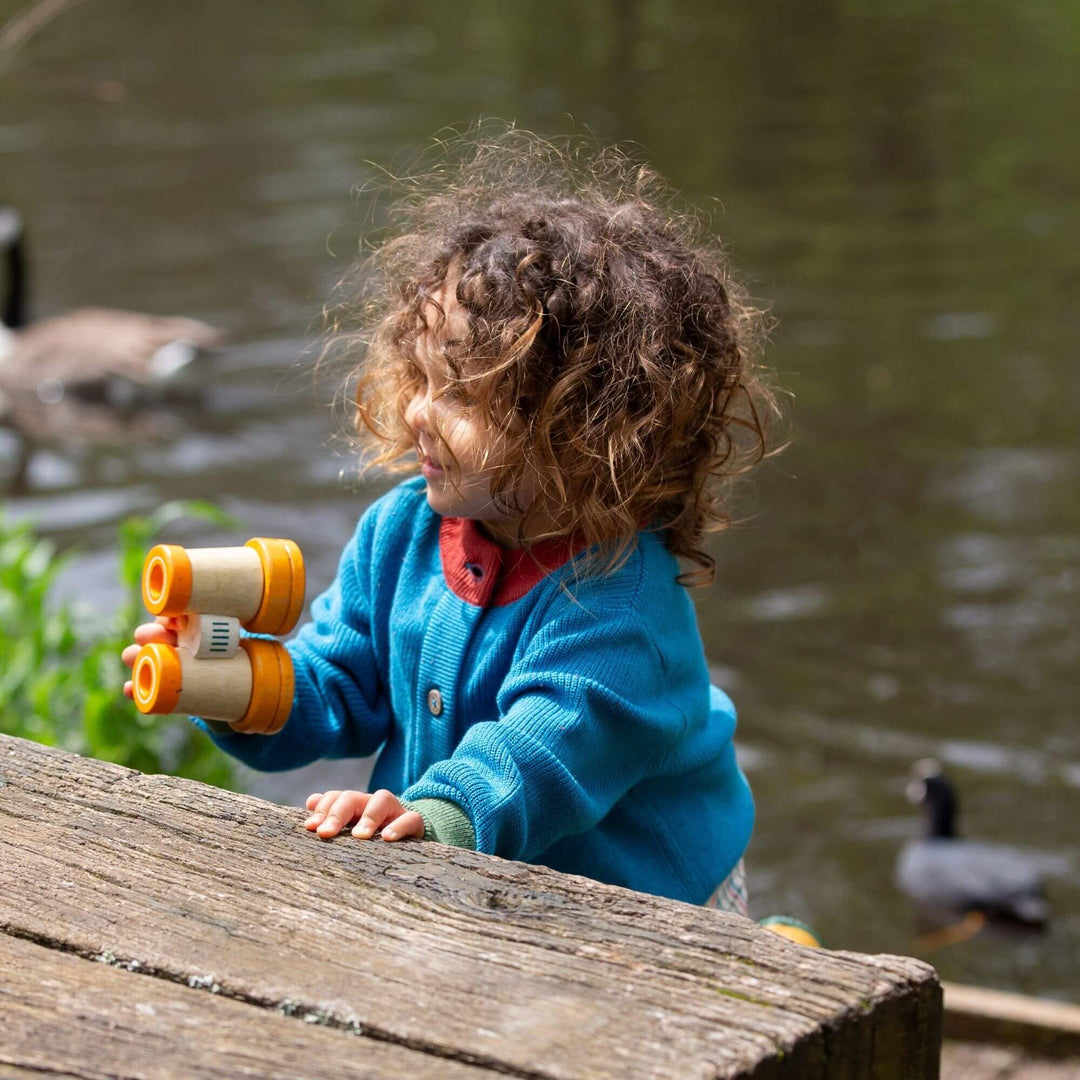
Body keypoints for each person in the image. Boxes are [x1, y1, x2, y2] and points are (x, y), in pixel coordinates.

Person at [123, 130, 778, 913]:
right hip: (472, 878)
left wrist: (431, 816)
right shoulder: (402, 532)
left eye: (461, 393)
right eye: (422, 376)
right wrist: (227, 683)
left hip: (654, 911)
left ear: (586, 429)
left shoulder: (622, 606)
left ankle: (774, 944)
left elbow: (537, 759)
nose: (416, 411)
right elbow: (341, 682)